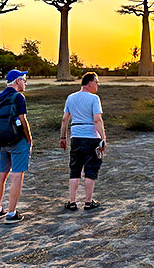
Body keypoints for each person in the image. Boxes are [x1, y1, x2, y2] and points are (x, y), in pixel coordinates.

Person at [0, 69, 32, 223]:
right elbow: (23, 120)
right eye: (24, 80)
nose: (25, 83)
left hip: (2, 141)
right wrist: (28, 139)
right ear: (17, 81)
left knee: (1, 175)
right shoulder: (18, 97)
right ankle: (11, 213)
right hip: (17, 140)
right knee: (17, 174)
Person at [60, 72, 106, 211]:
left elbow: (65, 119)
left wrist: (63, 137)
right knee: (90, 170)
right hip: (91, 138)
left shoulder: (70, 97)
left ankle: (72, 202)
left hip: (76, 137)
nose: (98, 85)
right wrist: (103, 138)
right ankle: (88, 202)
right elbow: (97, 119)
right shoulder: (94, 98)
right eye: (96, 82)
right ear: (90, 83)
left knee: (75, 170)